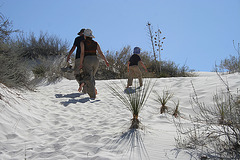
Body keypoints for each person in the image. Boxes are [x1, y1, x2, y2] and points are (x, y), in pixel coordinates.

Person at [79, 29, 109, 99]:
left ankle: (93, 96)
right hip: (96, 60)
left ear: (85, 36)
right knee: (92, 77)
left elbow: (82, 53)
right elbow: (100, 52)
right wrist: (106, 61)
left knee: (89, 78)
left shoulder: (82, 42)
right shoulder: (95, 43)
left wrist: (81, 63)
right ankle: (94, 91)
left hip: (87, 60)